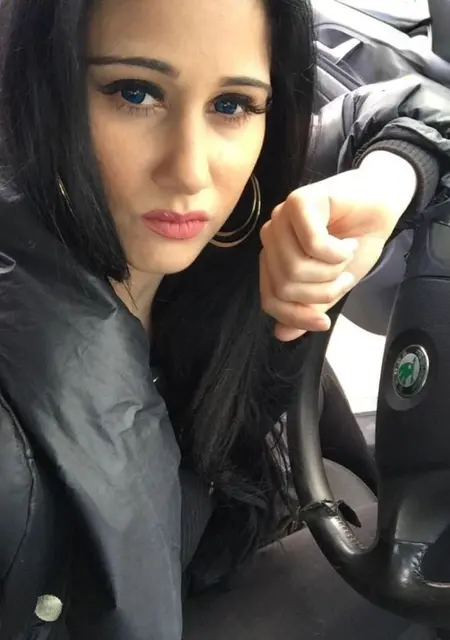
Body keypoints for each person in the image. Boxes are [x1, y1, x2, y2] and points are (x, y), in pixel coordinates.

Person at [0, 0, 449, 638]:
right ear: (48, 90)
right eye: (135, 93)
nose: (190, 171)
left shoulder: (256, 209)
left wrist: (385, 184)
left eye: (231, 104)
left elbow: (417, 108)